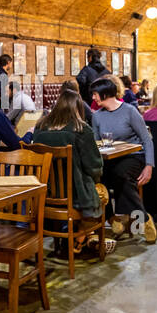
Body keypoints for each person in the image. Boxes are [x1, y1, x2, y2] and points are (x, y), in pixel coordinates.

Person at [31, 89, 110, 230]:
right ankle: (80, 238)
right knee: (102, 191)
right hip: (77, 195)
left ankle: (72, 236)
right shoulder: (81, 129)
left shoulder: (40, 127)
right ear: (78, 108)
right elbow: (94, 167)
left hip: (44, 192)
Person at [91, 79, 156, 243]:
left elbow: (146, 140)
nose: (93, 97)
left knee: (121, 174)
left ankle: (143, 219)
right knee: (96, 179)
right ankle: (112, 219)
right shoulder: (97, 116)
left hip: (134, 156)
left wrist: (149, 165)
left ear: (105, 94)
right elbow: (96, 143)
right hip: (111, 158)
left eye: (95, 94)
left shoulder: (129, 111)